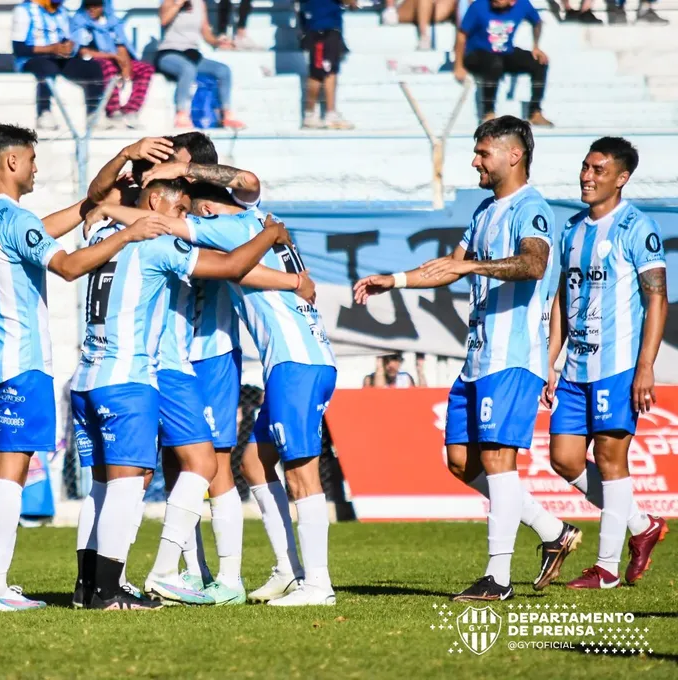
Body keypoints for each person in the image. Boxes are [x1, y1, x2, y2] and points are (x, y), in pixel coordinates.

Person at [0, 124, 169, 613]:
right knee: (13, 474)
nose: (38, 168)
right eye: (34, 160)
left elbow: (57, 220)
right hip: (21, 358)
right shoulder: (16, 220)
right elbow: (67, 266)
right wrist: (127, 232)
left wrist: (105, 190)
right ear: (13, 162)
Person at [353, 116, 581, 601]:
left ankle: (497, 578)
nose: (475, 161)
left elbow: (534, 263)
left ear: (513, 156)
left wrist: (471, 264)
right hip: (478, 357)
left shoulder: (532, 208)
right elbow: (445, 268)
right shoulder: (483, 211)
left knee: (498, 459)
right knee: (460, 462)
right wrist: (392, 280)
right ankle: (553, 531)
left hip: (513, 354)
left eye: (482, 153)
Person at [99, 182, 338, 606]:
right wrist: (292, 275)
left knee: (299, 471)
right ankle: (287, 570)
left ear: (207, 208)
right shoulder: (256, 222)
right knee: (255, 461)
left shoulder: (234, 227)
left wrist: (109, 212)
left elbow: (171, 228)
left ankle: (317, 584)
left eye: (195, 211)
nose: (190, 218)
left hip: (294, 359)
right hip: (298, 357)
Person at [544, 137, 669, 589]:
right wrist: (551, 360)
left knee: (611, 459)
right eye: (584, 167)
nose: (586, 176)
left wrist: (646, 366)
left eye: (598, 169)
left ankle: (606, 569)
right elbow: (562, 297)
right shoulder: (572, 230)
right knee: (563, 458)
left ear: (621, 178)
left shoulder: (638, 227)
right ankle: (642, 525)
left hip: (617, 366)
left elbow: (657, 300)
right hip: (575, 368)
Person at [453, 0, 553, 128]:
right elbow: (462, 35)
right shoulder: (479, 6)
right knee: (494, 62)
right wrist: (458, 66)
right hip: (476, 54)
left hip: (504, 51)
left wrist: (536, 46)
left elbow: (537, 22)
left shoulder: (522, 5)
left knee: (540, 62)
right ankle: (488, 113)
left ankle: (535, 111)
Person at [12, 0, 106, 132]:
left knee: (92, 68)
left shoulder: (62, 11)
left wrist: (68, 46)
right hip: (33, 58)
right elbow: (19, 49)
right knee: (47, 67)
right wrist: (51, 49)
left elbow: (67, 38)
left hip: (59, 57)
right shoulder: (24, 10)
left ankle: (93, 113)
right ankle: (44, 112)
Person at [155, 0, 245, 129]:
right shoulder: (170, 1)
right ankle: (181, 113)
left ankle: (226, 114)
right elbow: (163, 20)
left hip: (191, 54)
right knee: (187, 69)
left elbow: (206, 33)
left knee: (223, 70)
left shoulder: (200, 3)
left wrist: (218, 41)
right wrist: (179, 4)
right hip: (169, 53)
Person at [70, 0, 155, 129]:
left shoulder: (112, 22)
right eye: (88, 5)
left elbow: (121, 45)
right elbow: (83, 51)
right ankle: (113, 111)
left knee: (145, 69)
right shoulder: (80, 22)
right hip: (93, 61)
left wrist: (125, 66)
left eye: (96, 5)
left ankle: (131, 111)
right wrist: (112, 56)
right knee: (106, 66)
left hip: (114, 59)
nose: (91, 9)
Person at [300, 0, 354, 130]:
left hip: (318, 24)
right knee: (324, 71)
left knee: (323, 70)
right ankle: (325, 114)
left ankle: (315, 114)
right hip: (324, 27)